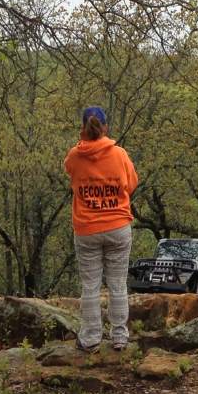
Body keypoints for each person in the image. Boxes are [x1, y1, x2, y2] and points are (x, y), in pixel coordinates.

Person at [63, 106, 138, 352]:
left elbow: (70, 174)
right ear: (105, 127)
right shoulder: (119, 154)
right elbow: (131, 184)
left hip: (87, 229)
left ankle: (91, 338)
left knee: (90, 286)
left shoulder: (75, 156)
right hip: (118, 226)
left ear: (83, 127)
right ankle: (119, 336)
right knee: (117, 284)